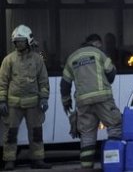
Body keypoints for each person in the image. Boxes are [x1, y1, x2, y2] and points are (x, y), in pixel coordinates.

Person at [61, 33, 123, 169]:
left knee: (87, 135)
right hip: (103, 99)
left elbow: (65, 83)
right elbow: (111, 75)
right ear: (96, 43)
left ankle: (86, 167)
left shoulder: (72, 57)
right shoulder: (99, 53)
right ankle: (113, 164)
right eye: (100, 45)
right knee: (115, 126)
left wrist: (66, 101)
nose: (101, 47)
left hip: (83, 102)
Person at [0, 25, 50, 170]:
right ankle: (9, 161)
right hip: (13, 104)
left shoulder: (37, 59)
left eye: (21, 41)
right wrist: (2, 101)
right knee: (11, 133)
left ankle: (38, 160)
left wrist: (44, 98)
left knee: (36, 133)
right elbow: (2, 82)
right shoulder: (8, 60)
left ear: (28, 41)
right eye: (16, 41)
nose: (18, 44)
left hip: (33, 103)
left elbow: (43, 80)